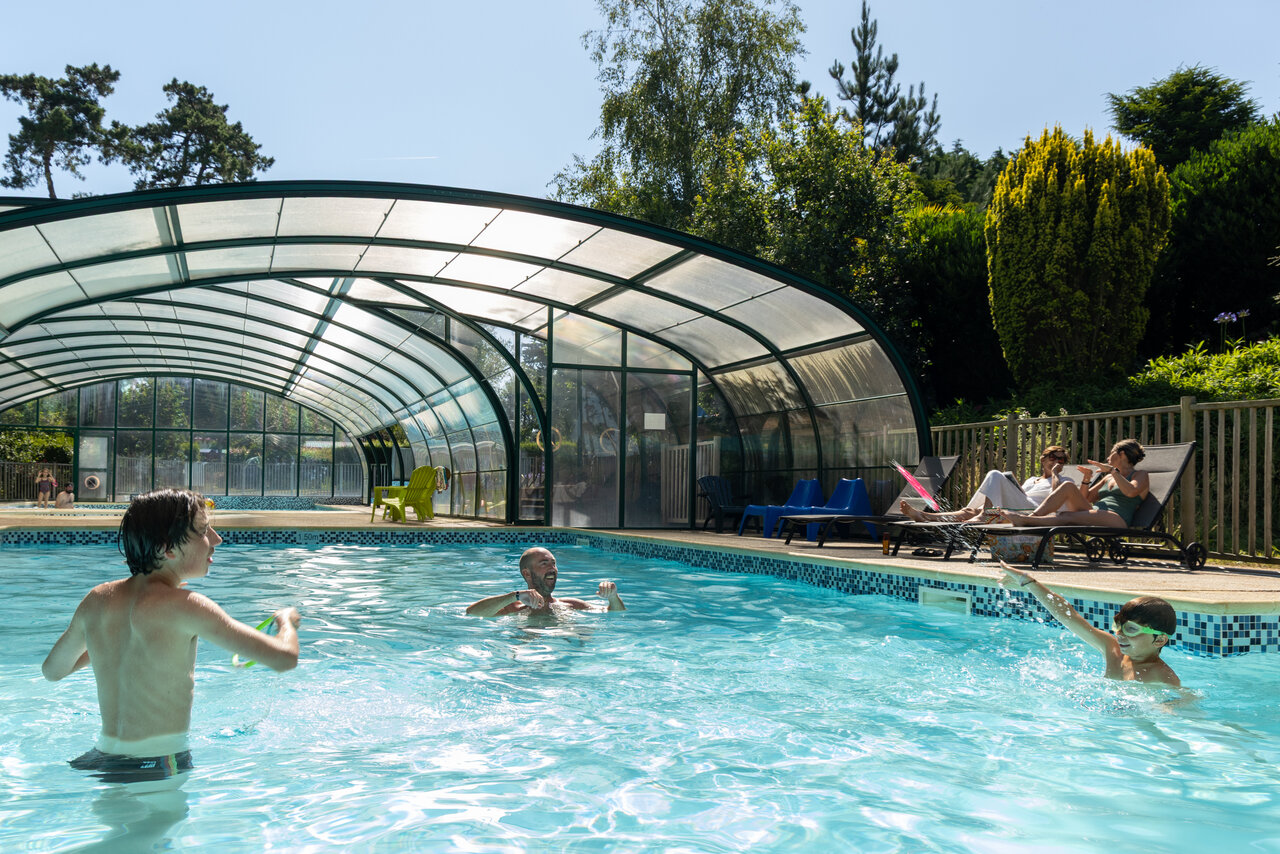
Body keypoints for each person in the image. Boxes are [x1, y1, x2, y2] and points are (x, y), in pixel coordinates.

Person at [42, 488, 302, 784]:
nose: (217, 539)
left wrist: (105, 648)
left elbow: (52, 671)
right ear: (168, 549)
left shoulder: (97, 599)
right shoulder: (187, 606)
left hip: (98, 758)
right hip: (156, 764)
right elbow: (284, 659)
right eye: (204, 531)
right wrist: (286, 622)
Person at [999, 560, 1180, 687]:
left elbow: (1178, 707)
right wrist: (1028, 581)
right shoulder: (1113, 650)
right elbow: (1068, 616)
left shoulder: (1164, 676)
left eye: (1131, 629)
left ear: (1160, 640)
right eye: (1118, 625)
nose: (1120, 634)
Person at [899, 445, 1086, 523]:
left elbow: (1057, 501)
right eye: (1054, 457)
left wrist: (1055, 475)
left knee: (995, 474)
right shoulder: (1031, 480)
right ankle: (924, 515)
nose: (1058, 462)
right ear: (1043, 458)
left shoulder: (1065, 481)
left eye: (1062, 460)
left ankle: (984, 514)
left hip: (1034, 512)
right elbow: (1022, 495)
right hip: (1020, 504)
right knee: (970, 512)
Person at [996, 438, 1150, 528]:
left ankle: (1025, 520)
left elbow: (1131, 492)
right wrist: (1086, 479)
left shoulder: (1140, 475)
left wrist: (1112, 471)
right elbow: (1086, 498)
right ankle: (1031, 517)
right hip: (1094, 512)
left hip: (1117, 517)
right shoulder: (1108, 477)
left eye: (1112, 453)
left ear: (1121, 454)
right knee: (1068, 487)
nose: (1108, 457)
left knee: (1066, 516)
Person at [465, 547, 626, 616]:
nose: (552, 568)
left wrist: (613, 596)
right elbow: (472, 612)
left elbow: (614, 613)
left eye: (554, 564)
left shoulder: (570, 604)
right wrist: (515, 596)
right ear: (527, 573)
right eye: (544, 564)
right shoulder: (513, 608)